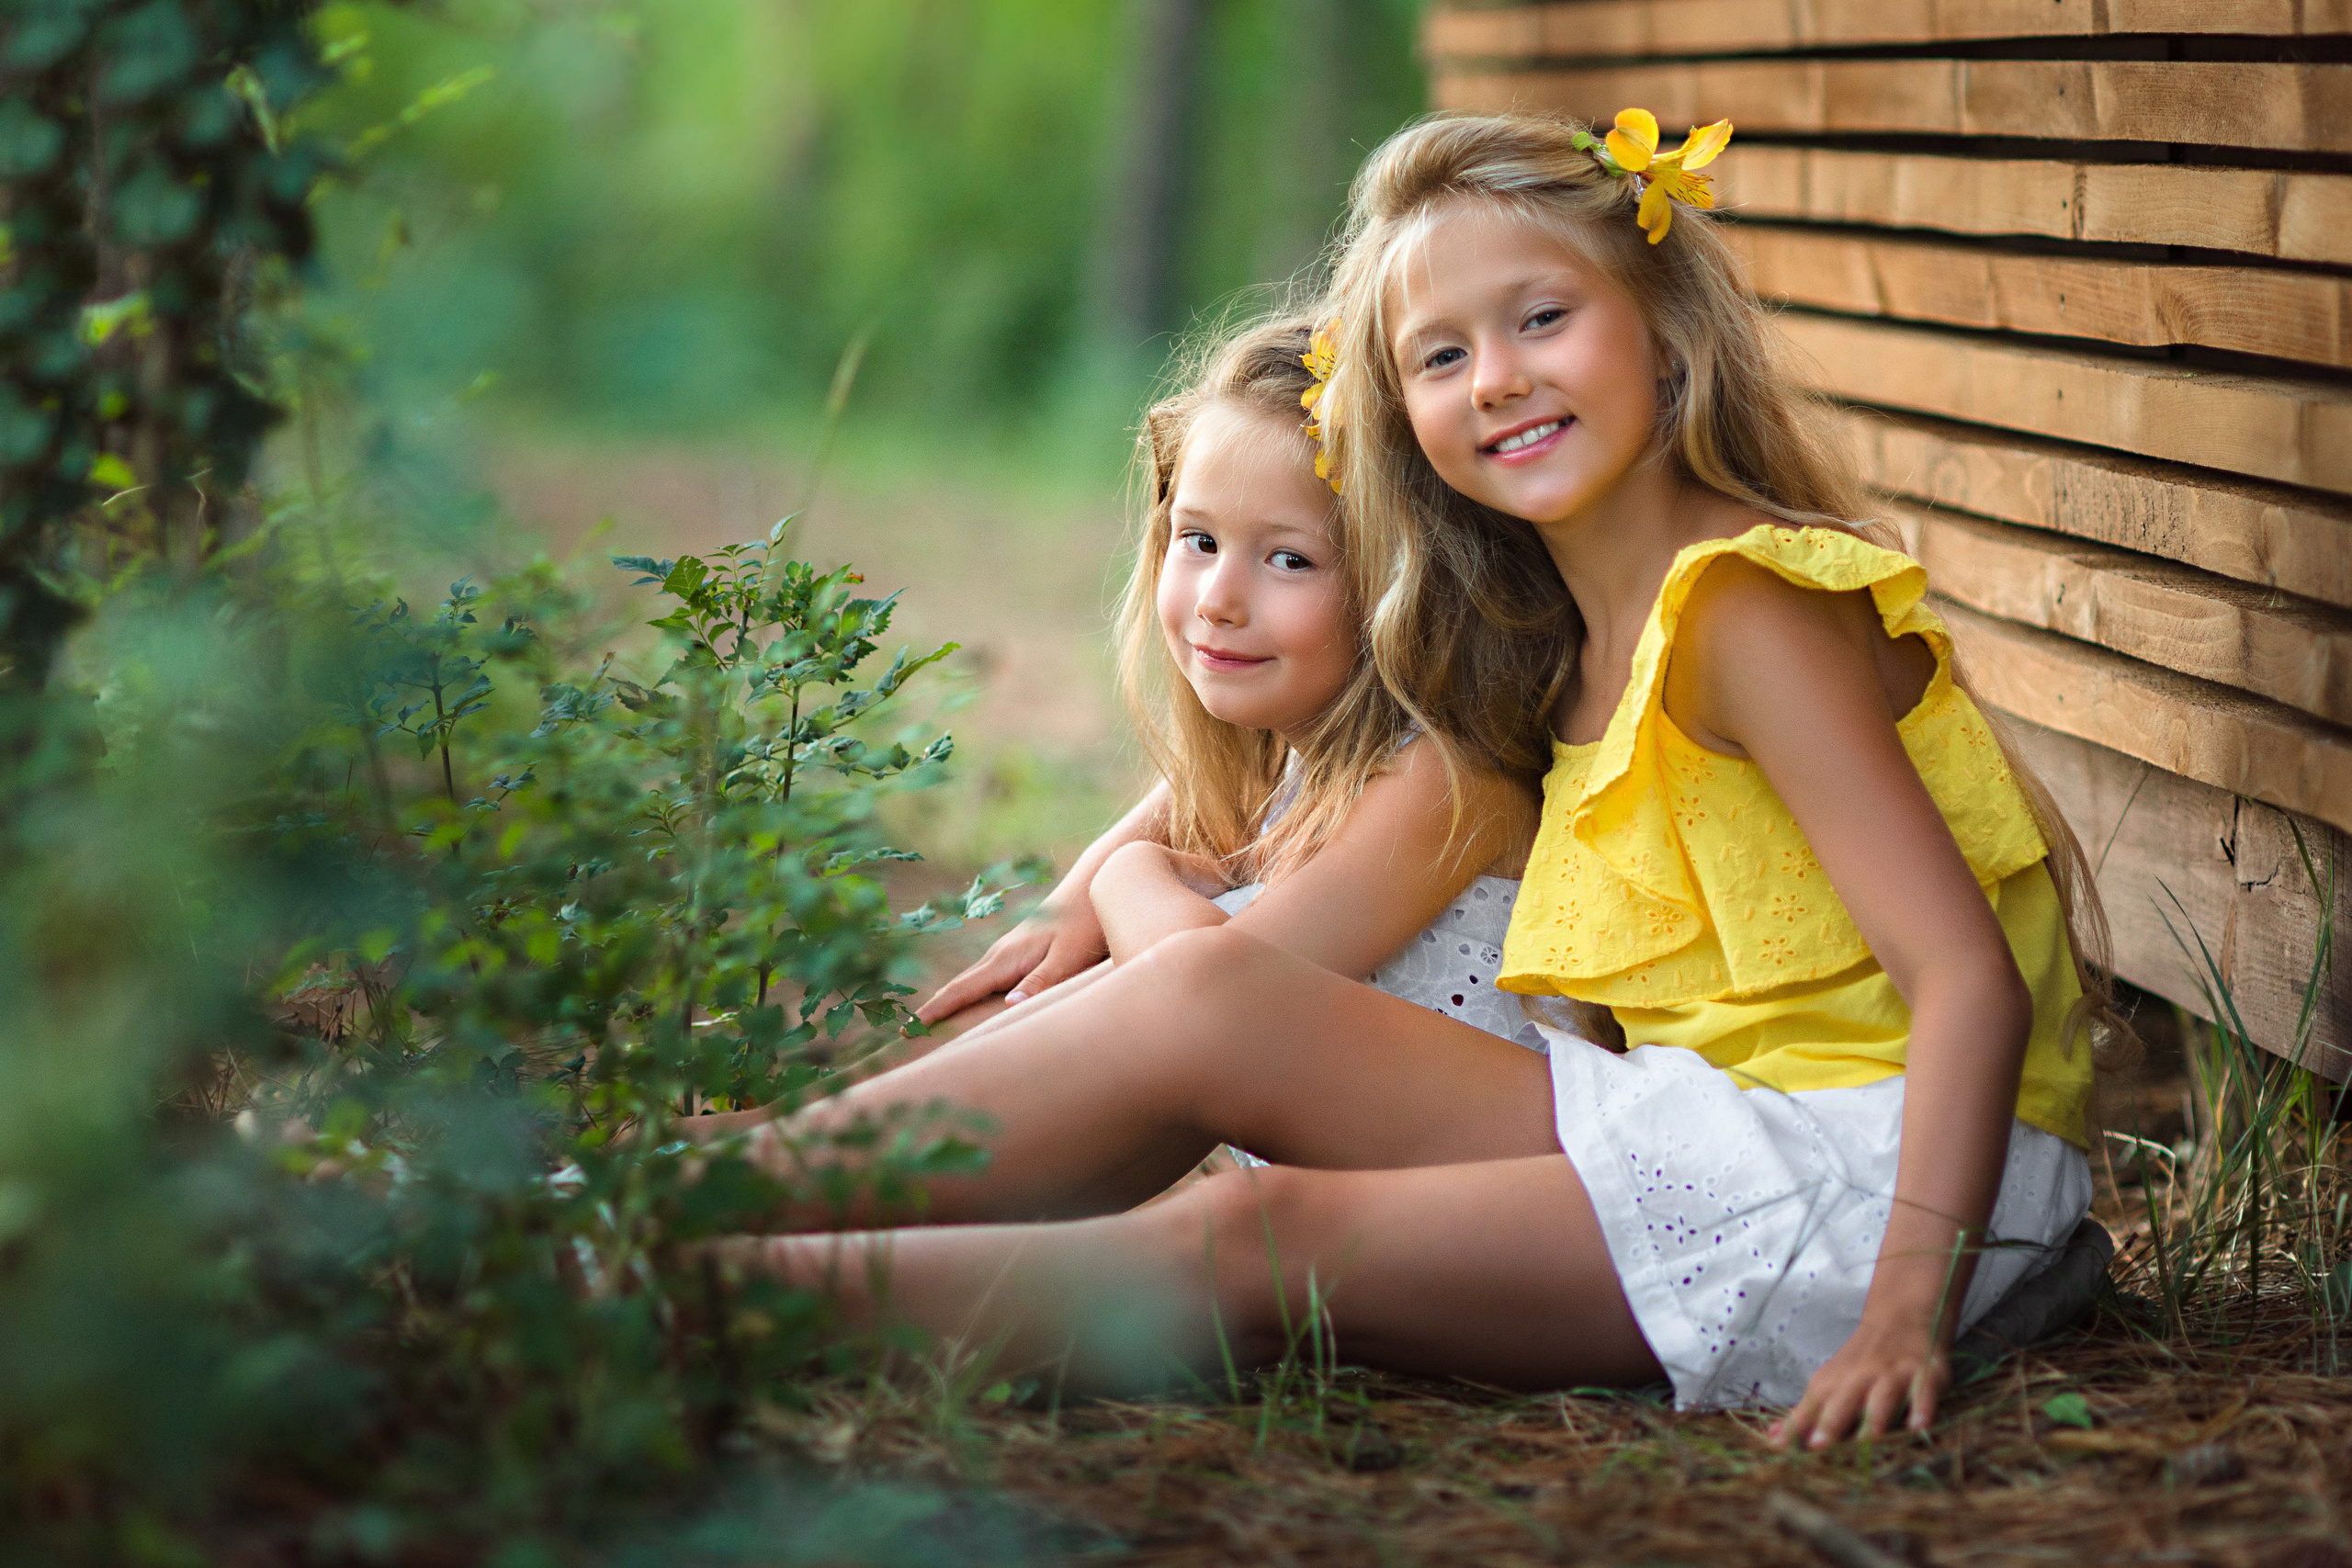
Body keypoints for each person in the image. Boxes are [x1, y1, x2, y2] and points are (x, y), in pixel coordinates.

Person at [709, 110, 2132, 1449]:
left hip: (1884, 1174)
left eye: (1541, 319)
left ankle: (673, 1304)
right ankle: (696, 1205)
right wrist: (1105, 871)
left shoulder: (1745, 612)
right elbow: (1350, 735)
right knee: (1209, 997)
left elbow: (1966, 980)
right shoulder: (1568, 628)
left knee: (1258, 1244)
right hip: (1707, 1117)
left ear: (1669, 330)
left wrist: (1903, 1310)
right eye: (1439, 357)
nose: (1496, 376)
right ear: (1399, 423)